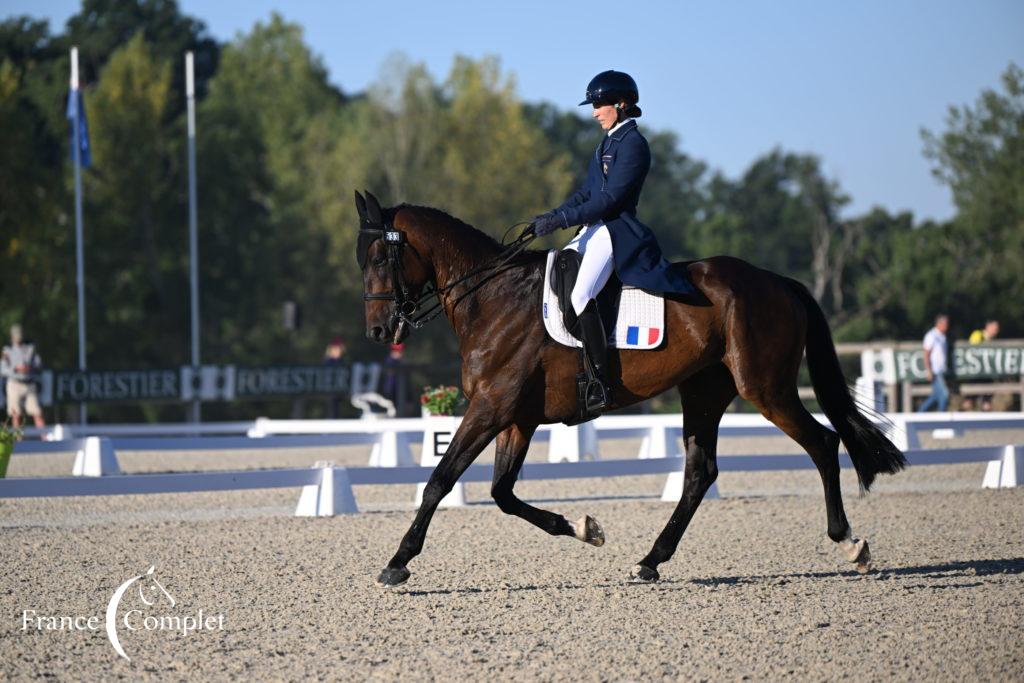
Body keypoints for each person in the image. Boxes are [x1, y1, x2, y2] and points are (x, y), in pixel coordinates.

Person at [531, 70, 698, 416]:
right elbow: (586, 193)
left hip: (616, 230)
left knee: (580, 295)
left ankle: (598, 382)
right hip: (594, 229)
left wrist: (563, 221)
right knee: (555, 279)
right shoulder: (607, 143)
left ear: (621, 105)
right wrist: (553, 214)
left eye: (599, 105)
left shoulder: (634, 145)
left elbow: (610, 200)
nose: (594, 112)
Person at [1, 324, 46, 428]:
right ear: (12, 336)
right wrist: (16, 369)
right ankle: (18, 442)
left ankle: (46, 440)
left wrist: (29, 367)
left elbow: (38, 363)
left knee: (37, 412)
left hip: (29, 383)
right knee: (16, 414)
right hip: (14, 384)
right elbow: (2, 369)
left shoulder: (30, 347)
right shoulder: (7, 350)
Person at [965, 319, 1000, 410]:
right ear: (988, 326)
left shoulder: (992, 341)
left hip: (987, 374)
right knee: (969, 401)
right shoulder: (978, 335)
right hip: (976, 374)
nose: (996, 331)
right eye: (995, 328)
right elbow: (972, 349)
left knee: (987, 401)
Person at [918, 314, 950, 412]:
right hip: (935, 371)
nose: (947, 326)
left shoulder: (942, 337)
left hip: (941, 370)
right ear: (939, 323)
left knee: (936, 396)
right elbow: (926, 354)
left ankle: (919, 414)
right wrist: (929, 370)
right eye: (945, 324)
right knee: (944, 394)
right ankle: (941, 420)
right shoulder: (931, 336)